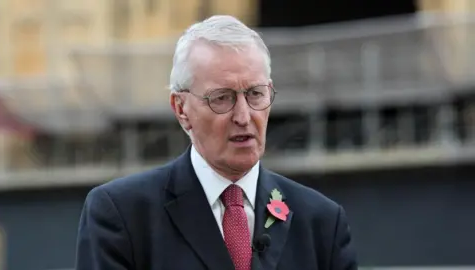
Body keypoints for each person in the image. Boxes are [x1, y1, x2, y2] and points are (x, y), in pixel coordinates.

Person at [75, 15, 358, 270]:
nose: (244, 116)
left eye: (256, 94)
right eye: (222, 98)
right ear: (181, 108)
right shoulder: (123, 215)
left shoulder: (321, 222)